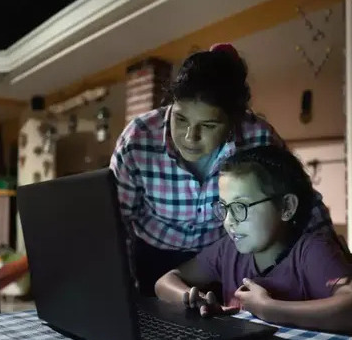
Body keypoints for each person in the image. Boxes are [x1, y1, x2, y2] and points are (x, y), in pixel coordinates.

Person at [110, 43, 333, 296]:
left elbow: (302, 201)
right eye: (180, 119)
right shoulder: (138, 139)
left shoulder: (257, 137)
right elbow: (114, 221)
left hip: (223, 259)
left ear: (233, 120)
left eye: (207, 125)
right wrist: (118, 282)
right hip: (152, 256)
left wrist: (332, 257)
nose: (189, 137)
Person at [155, 145, 352, 337]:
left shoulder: (310, 251)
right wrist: (191, 299)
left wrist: (269, 308)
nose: (228, 221)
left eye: (240, 206)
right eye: (224, 207)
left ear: (286, 207)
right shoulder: (227, 251)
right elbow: (165, 281)